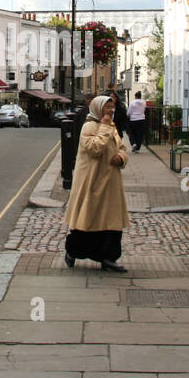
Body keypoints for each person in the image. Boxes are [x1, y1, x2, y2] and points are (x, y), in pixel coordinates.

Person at [64, 94, 131, 273]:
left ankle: (109, 257)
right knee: (88, 220)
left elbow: (122, 147)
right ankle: (72, 251)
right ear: (97, 109)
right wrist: (105, 127)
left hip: (111, 182)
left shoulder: (111, 126)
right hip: (93, 182)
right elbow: (95, 148)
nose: (110, 111)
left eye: (112, 108)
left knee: (112, 221)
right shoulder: (89, 126)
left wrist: (121, 158)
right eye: (107, 108)